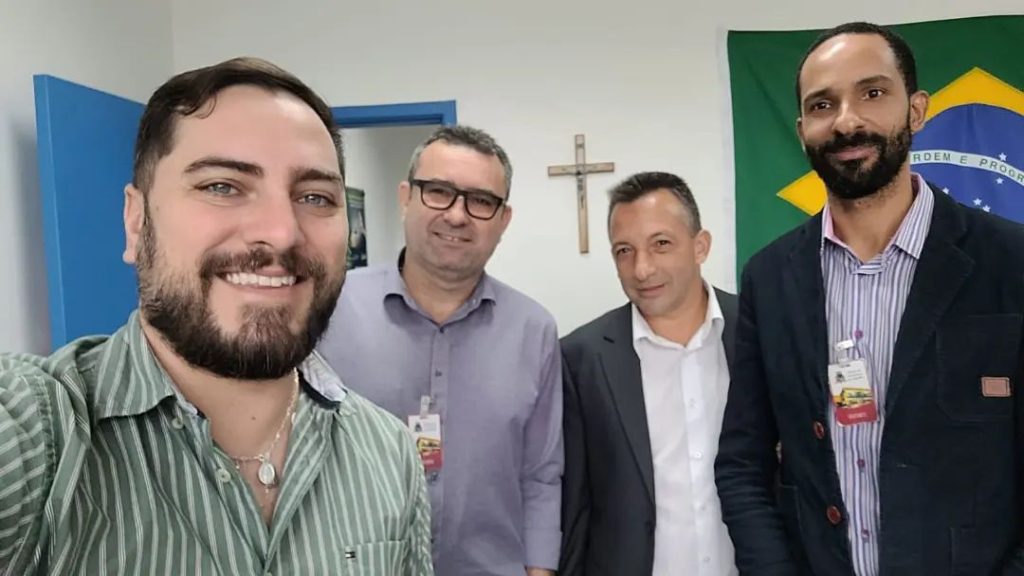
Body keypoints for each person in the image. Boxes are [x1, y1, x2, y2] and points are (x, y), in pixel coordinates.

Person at [0, 57, 432, 575]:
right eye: (222, 186)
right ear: (136, 222)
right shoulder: (40, 436)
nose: (281, 233)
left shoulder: (388, 454)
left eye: (315, 197)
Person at [715, 22, 1024, 575]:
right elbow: (743, 464)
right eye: (822, 105)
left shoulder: (1010, 260)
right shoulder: (770, 278)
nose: (847, 121)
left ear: (917, 110)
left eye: (873, 93)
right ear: (802, 130)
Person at [318, 125, 562, 576]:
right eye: (439, 192)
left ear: (503, 220)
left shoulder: (534, 331)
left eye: (481, 201)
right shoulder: (328, 310)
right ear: (406, 197)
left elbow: (541, 474)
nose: (457, 215)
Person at [560, 171, 738, 576]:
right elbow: (574, 506)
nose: (641, 269)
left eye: (661, 244)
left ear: (700, 246)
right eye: (624, 251)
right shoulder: (581, 359)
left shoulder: (756, 330)